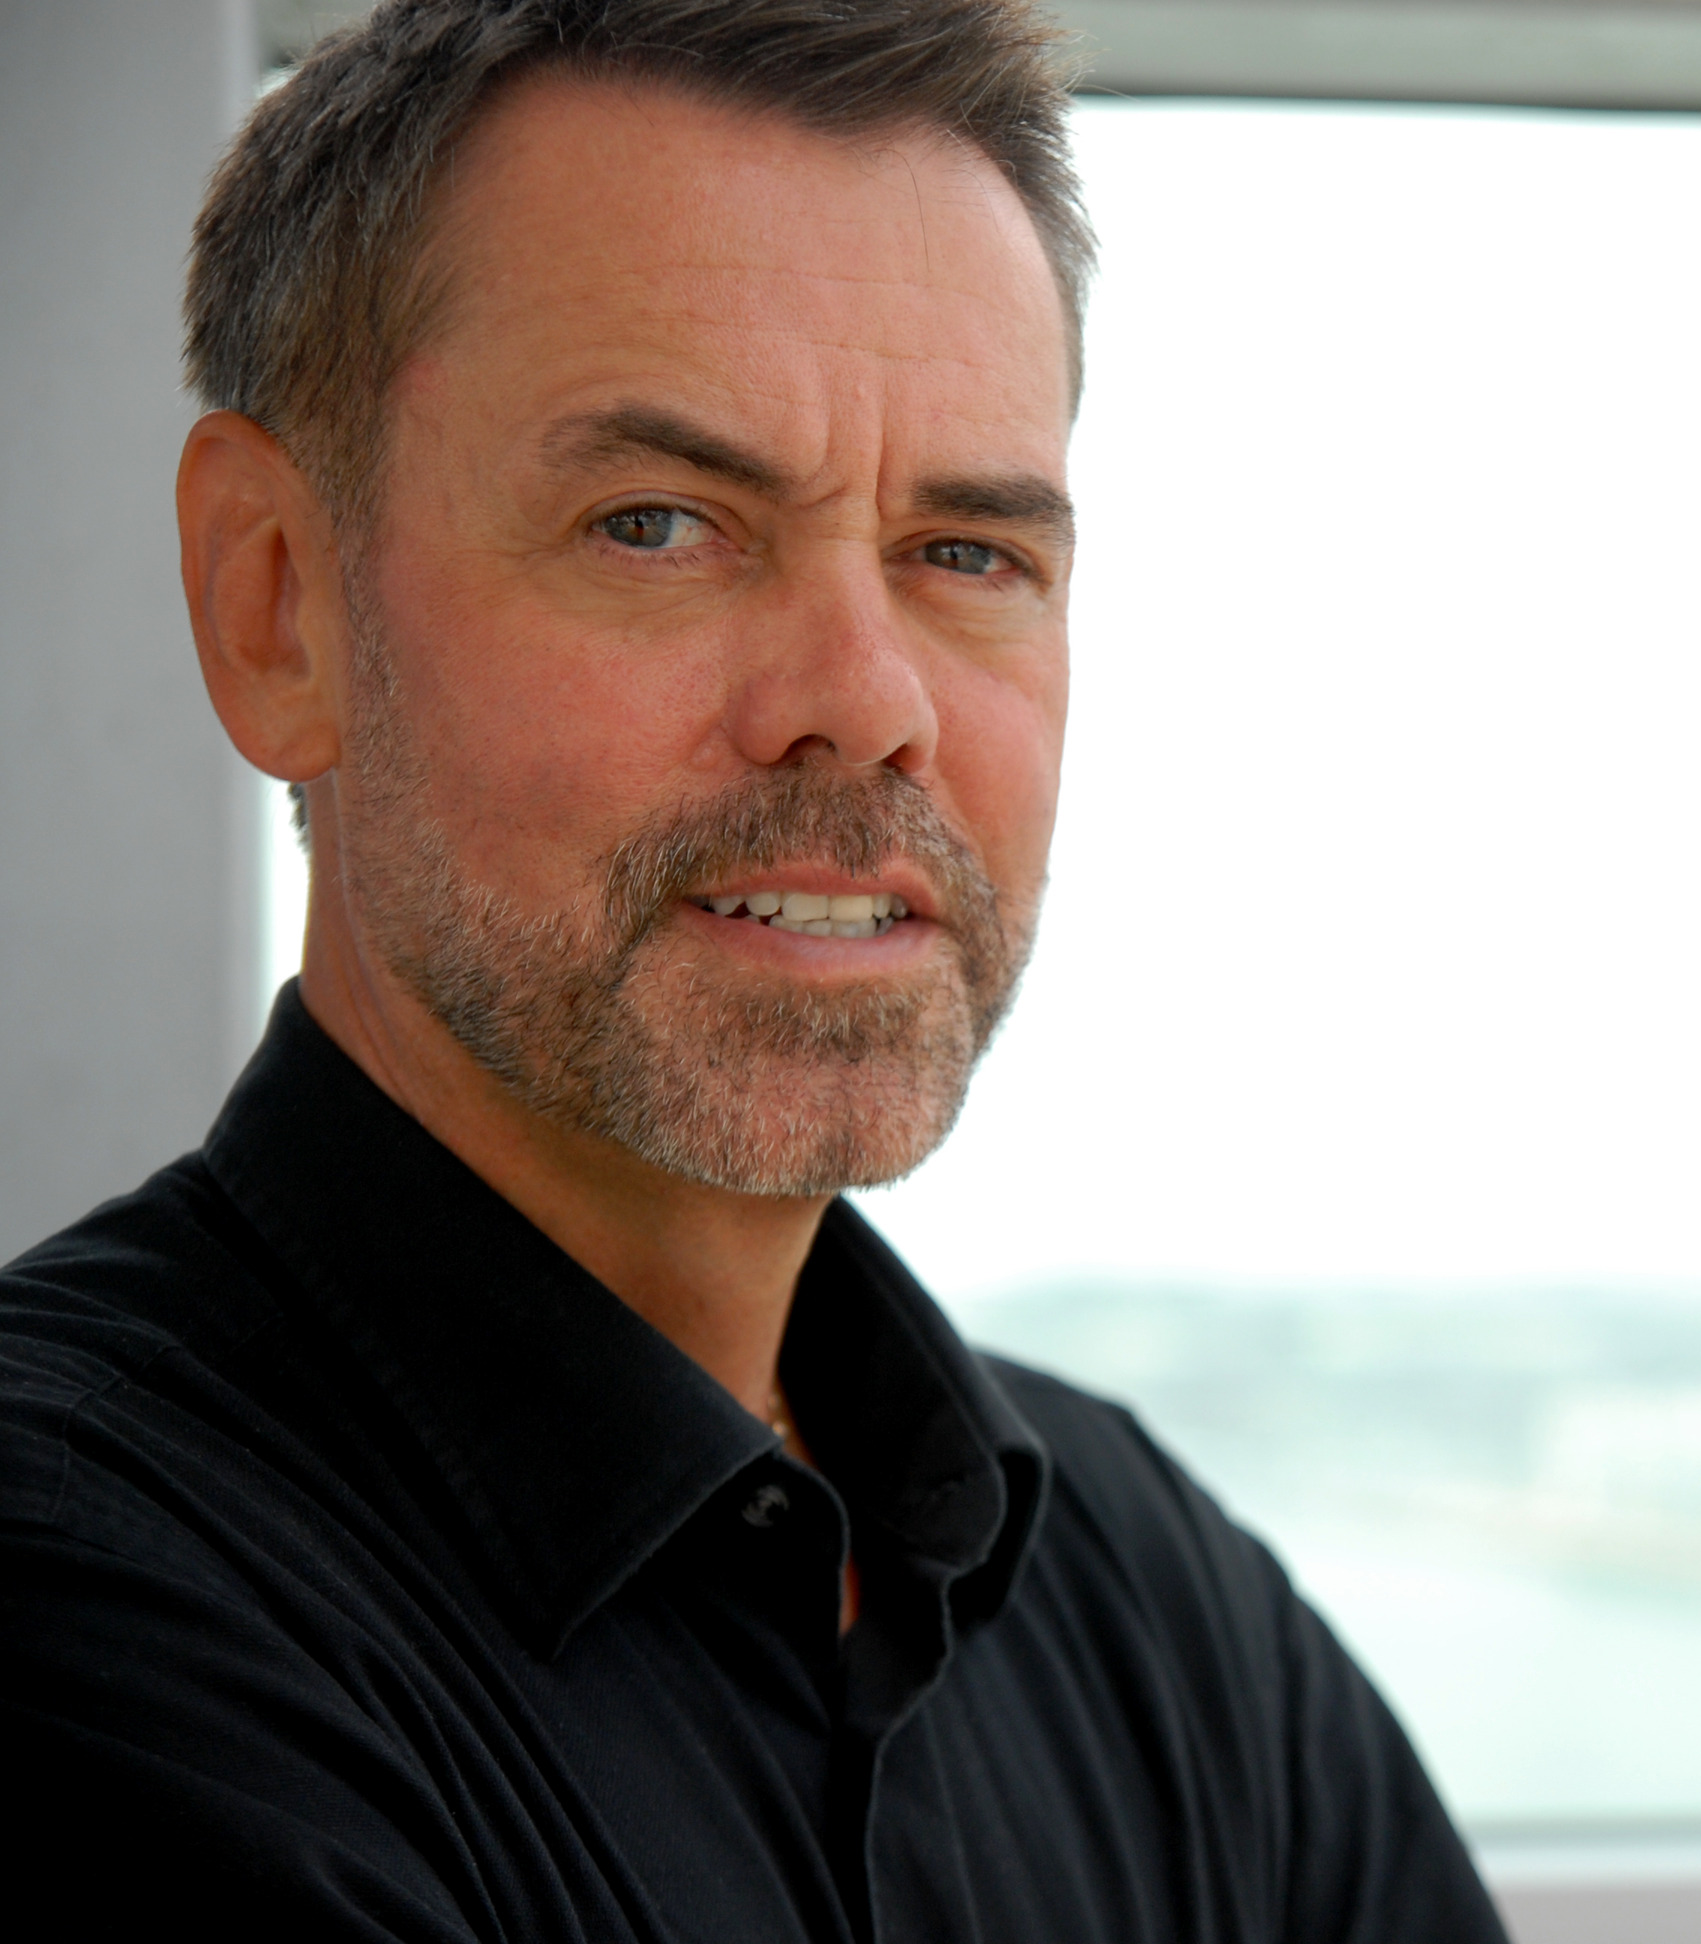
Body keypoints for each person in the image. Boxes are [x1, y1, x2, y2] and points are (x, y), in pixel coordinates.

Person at [0, 3, 1508, 1938]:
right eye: (660, 525)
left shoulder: (1157, 1609)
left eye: (966, 553)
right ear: (277, 603)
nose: (865, 703)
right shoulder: (76, 1593)